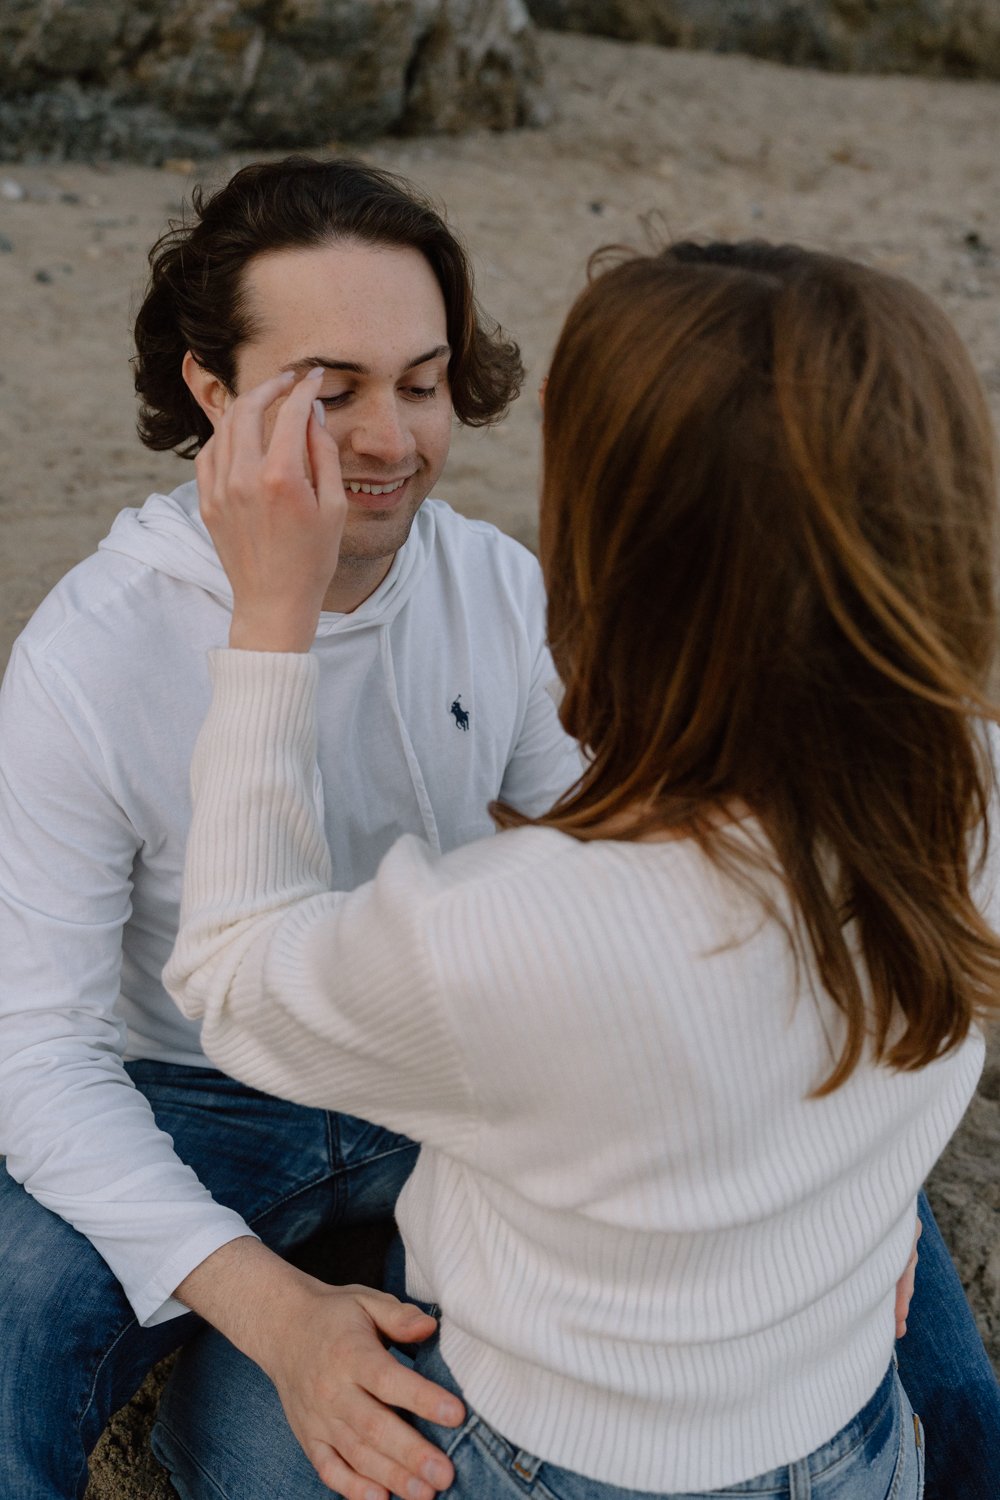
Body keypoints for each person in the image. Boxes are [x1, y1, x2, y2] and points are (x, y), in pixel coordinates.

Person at [161, 240, 1000, 1499]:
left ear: (625, 547)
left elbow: (231, 980)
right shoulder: (970, 785)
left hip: (556, 1462)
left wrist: (272, 620)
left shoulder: (522, 928)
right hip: (845, 1438)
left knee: (211, 1405)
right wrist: (866, 1219)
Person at [0, 155, 582, 1500]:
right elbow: (38, 1052)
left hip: (441, 1083)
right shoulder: (90, 653)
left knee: (923, 1346)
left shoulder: (495, 585)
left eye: (423, 384)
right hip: (189, 1096)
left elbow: (624, 859)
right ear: (212, 392)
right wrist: (272, 1312)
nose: (391, 439)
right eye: (332, 395)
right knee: (14, 1312)